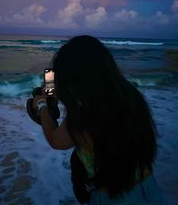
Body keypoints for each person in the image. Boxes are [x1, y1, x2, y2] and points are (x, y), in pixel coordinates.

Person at [33, 35, 167, 204]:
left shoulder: (85, 114)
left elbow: (56, 140)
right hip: (149, 188)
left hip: (114, 198)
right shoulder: (131, 95)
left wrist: (42, 106)